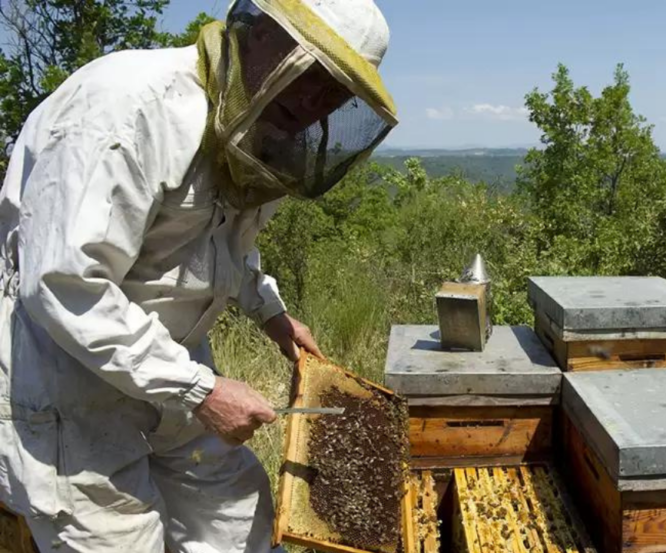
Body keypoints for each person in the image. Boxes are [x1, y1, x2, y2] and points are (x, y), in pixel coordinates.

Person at [0, 0, 398, 551]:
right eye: (308, 73)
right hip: (71, 385)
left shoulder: (254, 126)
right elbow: (68, 281)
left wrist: (270, 310)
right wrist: (200, 389)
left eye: (332, 92)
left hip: (172, 366)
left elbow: (221, 242)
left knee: (241, 527)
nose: (311, 101)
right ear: (259, 35)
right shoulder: (129, 106)